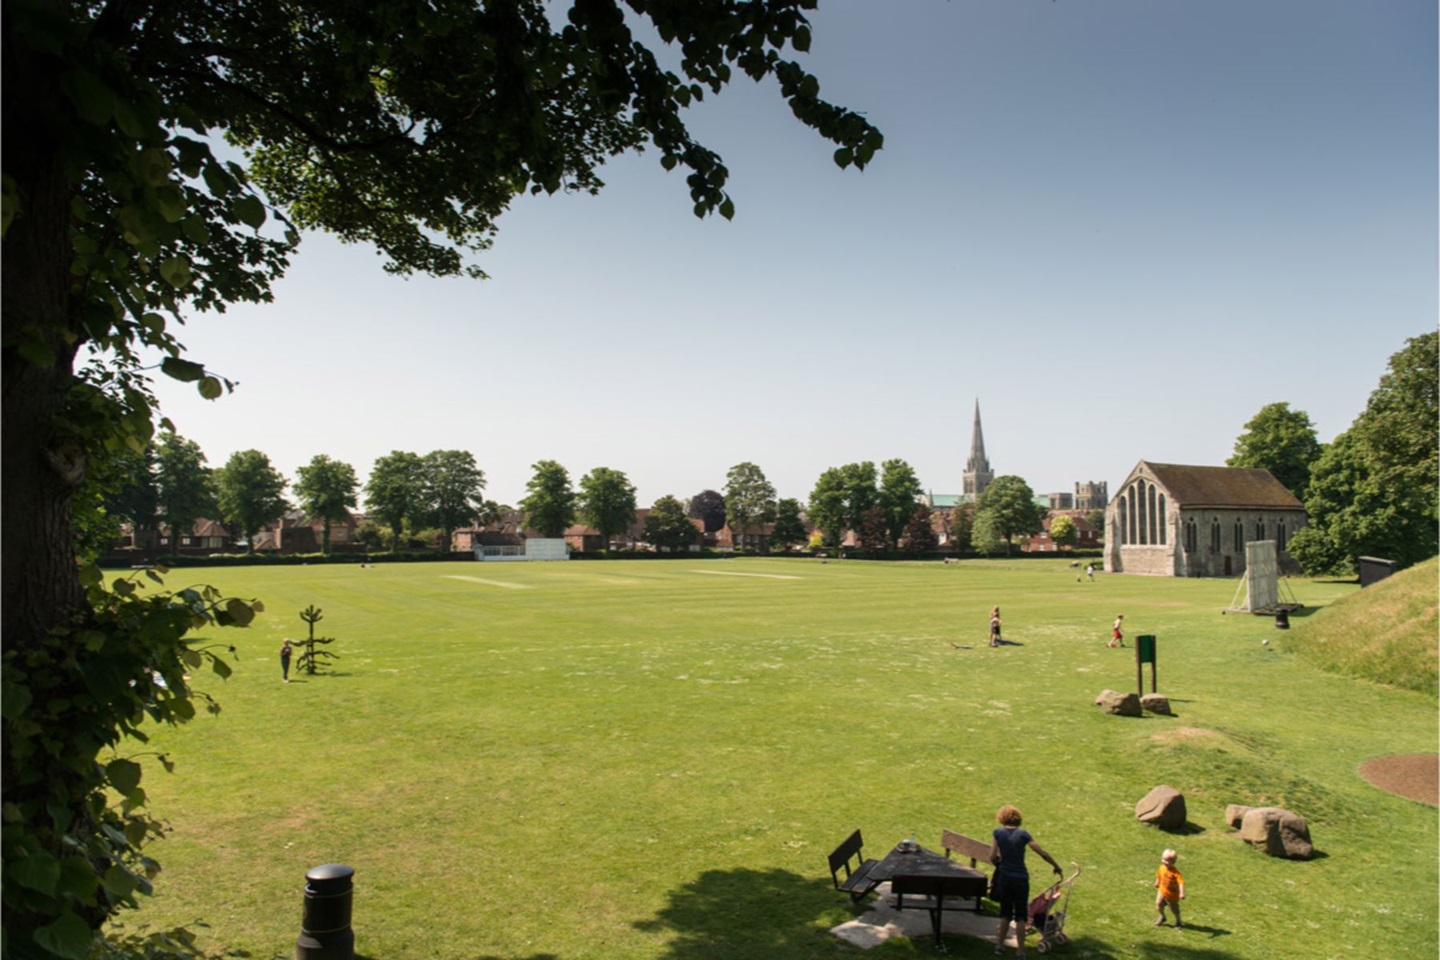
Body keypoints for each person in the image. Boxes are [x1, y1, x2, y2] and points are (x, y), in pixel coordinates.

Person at [989, 805, 1063, 959]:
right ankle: (1021, 951)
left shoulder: (998, 833)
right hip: (1021, 879)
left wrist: (1000, 864)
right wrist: (1055, 866)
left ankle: (999, 946)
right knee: (1021, 916)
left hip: (1005, 878)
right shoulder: (1023, 835)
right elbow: (1040, 852)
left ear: (1002, 818)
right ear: (1018, 819)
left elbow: (992, 856)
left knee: (1005, 913)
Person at [1154, 848, 1185, 927]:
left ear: (1173, 862)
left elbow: (1181, 883)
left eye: (1167, 861)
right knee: (1158, 904)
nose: (1165, 862)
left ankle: (1178, 921)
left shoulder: (1175, 873)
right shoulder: (1162, 867)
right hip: (1162, 890)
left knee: (1174, 909)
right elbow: (1159, 875)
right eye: (1163, 859)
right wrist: (1157, 882)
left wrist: (1181, 893)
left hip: (1172, 894)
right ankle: (1163, 916)